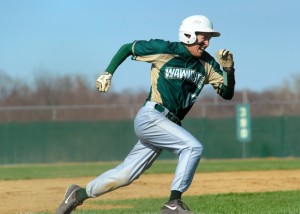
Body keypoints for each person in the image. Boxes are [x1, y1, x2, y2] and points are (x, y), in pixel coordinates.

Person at [56, 15, 235, 214]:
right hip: (152, 116)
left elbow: (227, 94)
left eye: (209, 38)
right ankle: (173, 202)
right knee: (192, 147)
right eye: (204, 37)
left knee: (125, 175)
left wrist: (229, 70)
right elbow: (127, 48)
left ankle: (77, 195)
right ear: (189, 35)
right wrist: (108, 72)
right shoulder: (165, 49)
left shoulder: (207, 64)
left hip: (168, 125)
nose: (207, 43)